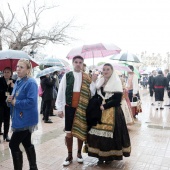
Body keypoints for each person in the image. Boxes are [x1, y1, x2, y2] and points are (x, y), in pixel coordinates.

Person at [56, 55, 97, 166]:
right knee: (68, 133)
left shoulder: (87, 77)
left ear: (82, 64)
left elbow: (92, 93)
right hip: (69, 108)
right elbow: (61, 91)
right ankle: (69, 155)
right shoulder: (67, 76)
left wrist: (93, 82)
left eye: (80, 62)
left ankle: (79, 154)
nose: (78, 64)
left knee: (80, 131)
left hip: (83, 108)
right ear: (73, 63)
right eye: (76, 62)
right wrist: (59, 108)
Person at [86, 63, 131, 164]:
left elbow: (117, 100)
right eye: (104, 69)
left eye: (108, 69)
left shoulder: (116, 81)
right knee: (97, 134)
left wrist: (105, 106)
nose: (105, 71)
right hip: (99, 112)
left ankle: (109, 156)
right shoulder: (100, 80)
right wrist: (93, 82)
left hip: (113, 111)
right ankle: (100, 156)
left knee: (111, 135)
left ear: (112, 70)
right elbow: (94, 94)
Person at [7, 59, 38, 170]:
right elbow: (16, 97)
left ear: (28, 70)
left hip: (26, 119)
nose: (18, 69)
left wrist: (16, 102)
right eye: (18, 67)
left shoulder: (31, 82)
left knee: (13, 145)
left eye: (21, 67)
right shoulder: (19, 81)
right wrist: (10, 99)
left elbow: (31, 101)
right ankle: (33, 167)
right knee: (26, 142)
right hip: (19, 117)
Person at [0, 67, 15, 141]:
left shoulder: (13, 81)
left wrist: (12, 87)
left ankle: (6, 135)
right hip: (1, 103)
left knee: (7, 119)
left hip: (9, 104)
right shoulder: (0, 80)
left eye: (8, 72)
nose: (6, 73)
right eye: (5, 72)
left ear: (11, 74)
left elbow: (14, 93)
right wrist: (6, 85)